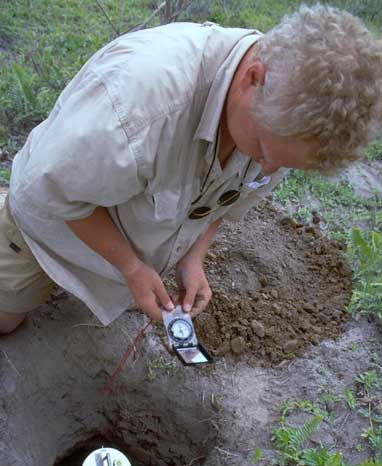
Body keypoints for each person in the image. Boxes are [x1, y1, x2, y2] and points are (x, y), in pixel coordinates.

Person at [1, 4, 382, 334]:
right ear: (254, 78)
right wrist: (131, 268)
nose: (267, 168)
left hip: (123, 225)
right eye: (264, 150)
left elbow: (228, 196)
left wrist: (193, 256)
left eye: (283, 163)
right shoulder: (138, 104)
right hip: (48, 224)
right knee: (6, 322)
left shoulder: (283, 122)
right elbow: (53, 191)